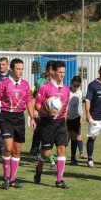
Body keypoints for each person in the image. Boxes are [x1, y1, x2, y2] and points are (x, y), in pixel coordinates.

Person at [0, 58, 36, 189]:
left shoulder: (26, 85)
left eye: (22, 69)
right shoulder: (3, 83)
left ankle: (13, 179)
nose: (21, 71)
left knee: (17, 150)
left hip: (19, 118)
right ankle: (5, 177)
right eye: (18, 69)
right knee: (8, 148)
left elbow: (28, 102)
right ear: (11, 70)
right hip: (6, 117)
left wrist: (32, 117)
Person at [33, 60, 70, 189]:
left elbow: (65, 109)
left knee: (61, 150)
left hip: (60, 123)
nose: (62, 75)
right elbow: (37, 106)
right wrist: (46, 112)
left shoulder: (66, 89)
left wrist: (64, 124)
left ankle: (59, 180)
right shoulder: (45, 87)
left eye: (64, 72)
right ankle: (39, 169)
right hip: (47, 122)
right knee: (46, 153)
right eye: (60, 72)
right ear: (53, 71)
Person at [30, 60, 57, 170]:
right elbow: (34, 98)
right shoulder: (40, 82)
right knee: (45, 138)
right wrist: (34, 112)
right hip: (42, 114)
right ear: (48, 70)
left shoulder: (57, 83)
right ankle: (51, 162)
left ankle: (39, 153)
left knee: (51, 138)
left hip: (54, 115)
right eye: (51, 69)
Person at [67, 75, 87, 166]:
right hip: (66, 118)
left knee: (75, 138)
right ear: (71, 83)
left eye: (77, 86)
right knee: (65, 139)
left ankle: (73, 157)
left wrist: (81, 117)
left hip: (76, 118)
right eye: (74, 86)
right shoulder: (67, 91)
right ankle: (61, 156)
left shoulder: (80, 92)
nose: (76, 88)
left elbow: (79, 106)